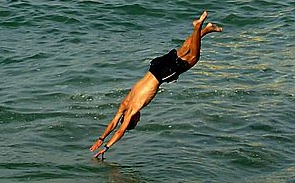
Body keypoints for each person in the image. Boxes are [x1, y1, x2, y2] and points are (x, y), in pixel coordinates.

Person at [89, 11, 223, 159]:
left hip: (161, 75)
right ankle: (206, 29)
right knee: (184, 50)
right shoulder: (124, 104)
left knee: (193, 57)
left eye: (137, 121)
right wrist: (101, 138)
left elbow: (119, 130)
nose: (139, 118)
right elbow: (113, 123)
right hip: (154, 67)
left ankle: (198, 26)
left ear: (132, 120)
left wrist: (106, 147)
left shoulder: (132, 110)